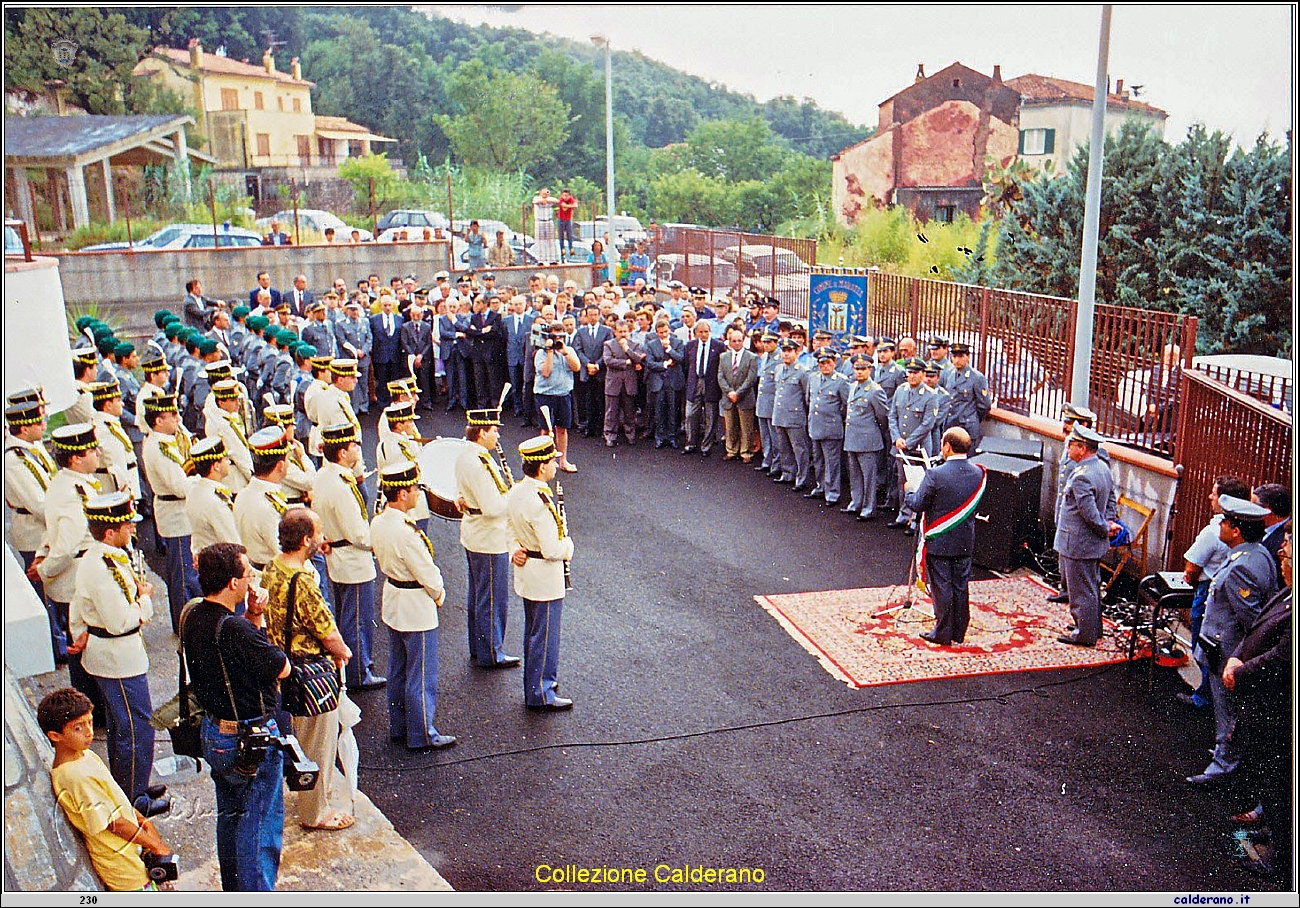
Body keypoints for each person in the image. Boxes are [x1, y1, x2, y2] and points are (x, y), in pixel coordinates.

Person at [183, 542, 290, 891]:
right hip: (250, 738)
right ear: (232, 583)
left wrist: (252, 616)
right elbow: (281, 667)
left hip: (215, 733)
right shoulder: (235, 630)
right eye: (247, 575)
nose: (251, 580)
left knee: (231, 818)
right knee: (258, 827)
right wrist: (256, 622)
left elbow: (232, 652)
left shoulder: (192, 615)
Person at [70, 492, 166, 814]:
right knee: (135, 728)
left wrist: (78, 631)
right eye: (126, 525)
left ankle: (131, 783)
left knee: (123, 727)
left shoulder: (103, 557)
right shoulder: (100, 567)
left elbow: (76, 605)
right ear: (110, 531)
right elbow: (119, 621)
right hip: (117, 658)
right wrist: (145, 600)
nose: (131, 530)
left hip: (116, 656)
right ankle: (133, 799)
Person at [262, 508, 355, 830]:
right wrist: (344, 652)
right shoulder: (303, 580)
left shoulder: (273, 567)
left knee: (302, 736)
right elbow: (327, 631)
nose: (321, 538)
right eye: (317, 533)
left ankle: (312, 798)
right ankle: (315, 811)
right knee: (318, 742)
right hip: (311, 671)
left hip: (286, 665)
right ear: (305, 540)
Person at [39, 688, 173, 891]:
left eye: (90, 722)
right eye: (78, 728)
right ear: (55, 736)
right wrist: (156, 846)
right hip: (122, 868)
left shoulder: (86, 756)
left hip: (130, 854)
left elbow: (115, 799)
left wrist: (142, 821)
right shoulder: (74, 777)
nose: (89, 732)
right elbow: (114, 824)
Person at [1186, 495, 1277, 785]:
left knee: (1227, 710)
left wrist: (1240, 660)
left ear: (1236, 529)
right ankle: (1227, 753)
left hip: (1227, 651)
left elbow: (1253, 623)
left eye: (1224, 522)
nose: (1220, 526)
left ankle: (1224, 764)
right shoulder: (1255, 553)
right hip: (1224, 647)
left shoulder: (1243, 565)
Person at [1222, 529, 1291, 879]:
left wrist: (1241, 670)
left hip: (1277, 712)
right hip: (1262, 707)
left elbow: (1283, 657)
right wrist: (1237, 658)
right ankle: (1276, 837)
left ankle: (1279, 861)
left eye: (1289, 546)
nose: (1283, 550)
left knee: (1280, 786)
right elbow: (1256, 632)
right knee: (1270, 782)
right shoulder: (1287, 591)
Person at [372, 463, 457, 751]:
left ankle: (399, 725)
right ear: (403, 492)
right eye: (414, 489)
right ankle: (422, 733)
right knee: (420, 674)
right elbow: (427, 573)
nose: (418, 494)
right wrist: (440, 594)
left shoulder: (379, 521)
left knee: (397, 669)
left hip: (394, 599)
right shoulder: (406, 531)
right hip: (415, 605)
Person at [506, 436, 575, 711]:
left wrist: (513, 548)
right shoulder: (539, 501)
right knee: (545, 636)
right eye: (552, 461)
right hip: (544, 576)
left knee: (535, 634)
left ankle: (536, 682)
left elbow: (507, 526)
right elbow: (551, 548)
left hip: (527, 574)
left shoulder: (517, 492)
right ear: (541, 466)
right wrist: (569, 546)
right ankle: (541, 692)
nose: (556, 465)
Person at [315, 423, 384, 692]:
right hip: (352, 559)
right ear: (342, 453)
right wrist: (379, 538)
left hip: (338, 555)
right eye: (354, 445)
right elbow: (359, 535)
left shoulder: (325, 476)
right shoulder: (342, 486)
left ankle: (354, 663)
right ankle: (357, 671)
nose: (358, 448)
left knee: (347, 614)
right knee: (357, 619)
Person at [905, 428, 987, 645]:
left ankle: (942, 632)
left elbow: (917, 504)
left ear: (948, 446)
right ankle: (958, 631)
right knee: (960, 585)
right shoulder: (979, 472)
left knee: (942, 586)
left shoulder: (935, 474)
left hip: (940, 539)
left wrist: (908, 491)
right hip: (964, 539)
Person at [454, 407, 520, 669]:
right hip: (489, 535)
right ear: (481, 432)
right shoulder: (479, 462)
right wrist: (513, 497)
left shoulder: (467, 455)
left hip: (474, 532)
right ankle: (491, 652)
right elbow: (493, 507)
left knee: (479, 594)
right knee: (492, 597)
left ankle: (479, 647)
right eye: (494, 430)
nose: (497, 435)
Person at [1178, 475, 1252, 708]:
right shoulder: (1247, 529)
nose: (1210, 496)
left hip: (1208, 591)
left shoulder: (1215, 531)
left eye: (1214, 493)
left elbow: (1191, 566)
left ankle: (1204, 696)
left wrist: (1191, 579)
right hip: (1227, 598)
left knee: (1204, 645)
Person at [1053, 424, 1120, 647]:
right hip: (1091, 542)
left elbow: (1088, 512)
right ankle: (1092, 626)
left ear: (1082, 448)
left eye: (1072, 445)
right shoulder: (1101, 468)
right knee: (1091, 585)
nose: (1069, 449)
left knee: (1081, 591)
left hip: (1078, 542)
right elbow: (1111, 499)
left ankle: (1084, 633)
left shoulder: (1082, 476)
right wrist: (1109, 522)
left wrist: (1104, 526)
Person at [141, 394, 201, 631]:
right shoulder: (160, 448)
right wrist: (199, 479)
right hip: (175, 513)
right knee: (183, 574)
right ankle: (185, 624)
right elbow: (179, 485)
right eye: (172, 415)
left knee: (185, 570)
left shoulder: (165, 441)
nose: (178, 418)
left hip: (178, 511)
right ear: (158, 421)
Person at [887, 358, 939, 534]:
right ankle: (903, 515)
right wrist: (896, 439)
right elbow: (892, 416)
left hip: (918, 448)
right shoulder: (900, 391)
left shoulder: (930, 395)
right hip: (901, 446)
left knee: (920, 484)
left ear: (923, 374)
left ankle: (916, 520)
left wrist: (908, 442)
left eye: (916, 372)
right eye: (909, 372)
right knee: (903, 481)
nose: (911, 376)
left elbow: (927, 424)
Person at [843, 354, 890, 521]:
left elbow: (883, 417)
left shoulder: (875, 391)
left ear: (870, 370)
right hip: (852, 437)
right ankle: (856, 503)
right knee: (854, 474)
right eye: (857, 368)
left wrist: (876, 432)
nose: (859, 372)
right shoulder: (852, 386)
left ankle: (869, 508)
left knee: (869, 476)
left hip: (868, 439)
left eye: (863, 369)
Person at [532, 319, 581, 473]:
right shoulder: (541, 353)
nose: (558, 340)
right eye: (555, 338)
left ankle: (563, 460)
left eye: (561, 337)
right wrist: (550, 352)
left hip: (563, 394)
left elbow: (577, 367)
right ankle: (546, 461)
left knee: (562, 429)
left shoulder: (569, 351)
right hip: (545, 395)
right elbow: (546, 372)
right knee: (546, 430)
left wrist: (565, 353)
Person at [805, 350, 849, 503]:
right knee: (818, 460)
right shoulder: (813, 378)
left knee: (832, 462)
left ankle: (832, 493)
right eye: (821, 363)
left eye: (828, 363)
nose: (825, 366)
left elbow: (845, 406)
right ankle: (820, 487)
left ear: (834, 363)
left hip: (831, 427)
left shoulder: (841, 381)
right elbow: (808, 400)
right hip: (815, 425)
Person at [770, 339, 814, 489]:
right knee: (783, 446)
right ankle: (788, 473)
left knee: (799, 449)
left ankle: (802, 478)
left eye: (790, 351)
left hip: (795, 416)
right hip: (780, 414)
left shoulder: (803, 372)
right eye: (784, 351)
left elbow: (807, 396)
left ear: (797, 352)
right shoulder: (778, 369)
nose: (786, 354)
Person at [602, 319, 646, 447]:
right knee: (611, 412)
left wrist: (627, 349)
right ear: (614, 332)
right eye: (620, 331)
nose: (622, 334)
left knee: (629, 412)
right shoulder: (608, 344)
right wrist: (626, 362)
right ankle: (610, 435)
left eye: (625, 331)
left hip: (629, 383)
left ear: (629, 331)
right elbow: (608, 361)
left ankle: (630, 434)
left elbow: (638, 359)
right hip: (613, 383)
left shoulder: (634, 344)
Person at [683, 321, 725, 457]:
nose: (704, 335)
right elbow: (686, 365)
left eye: (706, 332)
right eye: (701, 332)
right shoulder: (690, 345)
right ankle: (690, 444)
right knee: (690, 415)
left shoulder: (718, 346)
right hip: (694, 383)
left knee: (710, 416)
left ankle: (706, 446)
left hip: (711, 385)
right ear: (696, 333)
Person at [718, 325, 759, 463]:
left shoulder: (751, 357)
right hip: (728, 397)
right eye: (734, 341)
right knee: (730, 426)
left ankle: (746, 452)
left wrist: (738, 393)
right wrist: (729, 391)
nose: (736, 343)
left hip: (745, 396)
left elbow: (751, 378)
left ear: (743, 341)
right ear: (729, 341)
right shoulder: (723, 357)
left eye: (739, 340)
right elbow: (720, 376)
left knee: (746, 426)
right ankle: (731, 450)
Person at [944, 342, 992, 451]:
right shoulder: (950, 375)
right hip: (952, 425)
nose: (957, 360)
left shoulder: (977, 377)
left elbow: (984, 405)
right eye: (954, 356)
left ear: (968, 357)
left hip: (967, 427)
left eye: (961, 356)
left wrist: (972, 418)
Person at [532, 188, 559, 264]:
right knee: (540, 241)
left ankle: (552, 259)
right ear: (540, 193)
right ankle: (540, 259)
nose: (545, 195)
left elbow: (557, 201)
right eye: (544, 193)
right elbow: (535, 201)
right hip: (539, 221)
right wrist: (542, 200)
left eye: (547, 193)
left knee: (551, 240)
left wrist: (547, 200)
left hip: (549, 221)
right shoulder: (537, 198)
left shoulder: (550, 199)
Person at [556, 188, 578, 260]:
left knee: (570, 234)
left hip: (568, 220)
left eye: (566, 196)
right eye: (563, 195)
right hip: (561, 219)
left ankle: (571, 248)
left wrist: (568, 205)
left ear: (569, 196)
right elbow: (563, 207)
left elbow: (575, 205)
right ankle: (562, 249)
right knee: (561, 235)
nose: (564, 197)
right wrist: (570, 206)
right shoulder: (561, 200)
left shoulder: (571, 199)